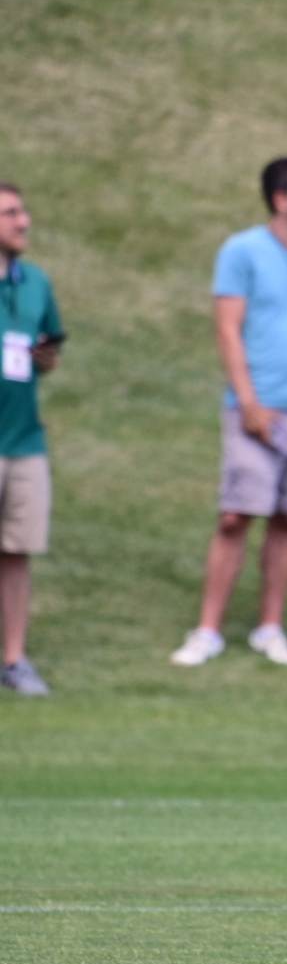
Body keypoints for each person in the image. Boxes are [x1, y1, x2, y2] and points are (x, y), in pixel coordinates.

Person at [171, 158, 287, 669]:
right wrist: (248, 401)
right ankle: (207, 630)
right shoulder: (241, 251)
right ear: (281, 199)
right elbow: (228, 328)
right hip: (258, 406)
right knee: (235, 516)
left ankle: (270, 627)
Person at [0, 182, 65, 697]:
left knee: (18, 551)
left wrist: (45, 358)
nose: (23, 222)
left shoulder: (35, 282)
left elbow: (46, 349)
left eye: (22, 211)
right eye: (10, 213)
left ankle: (14, 660)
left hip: (24, 440)